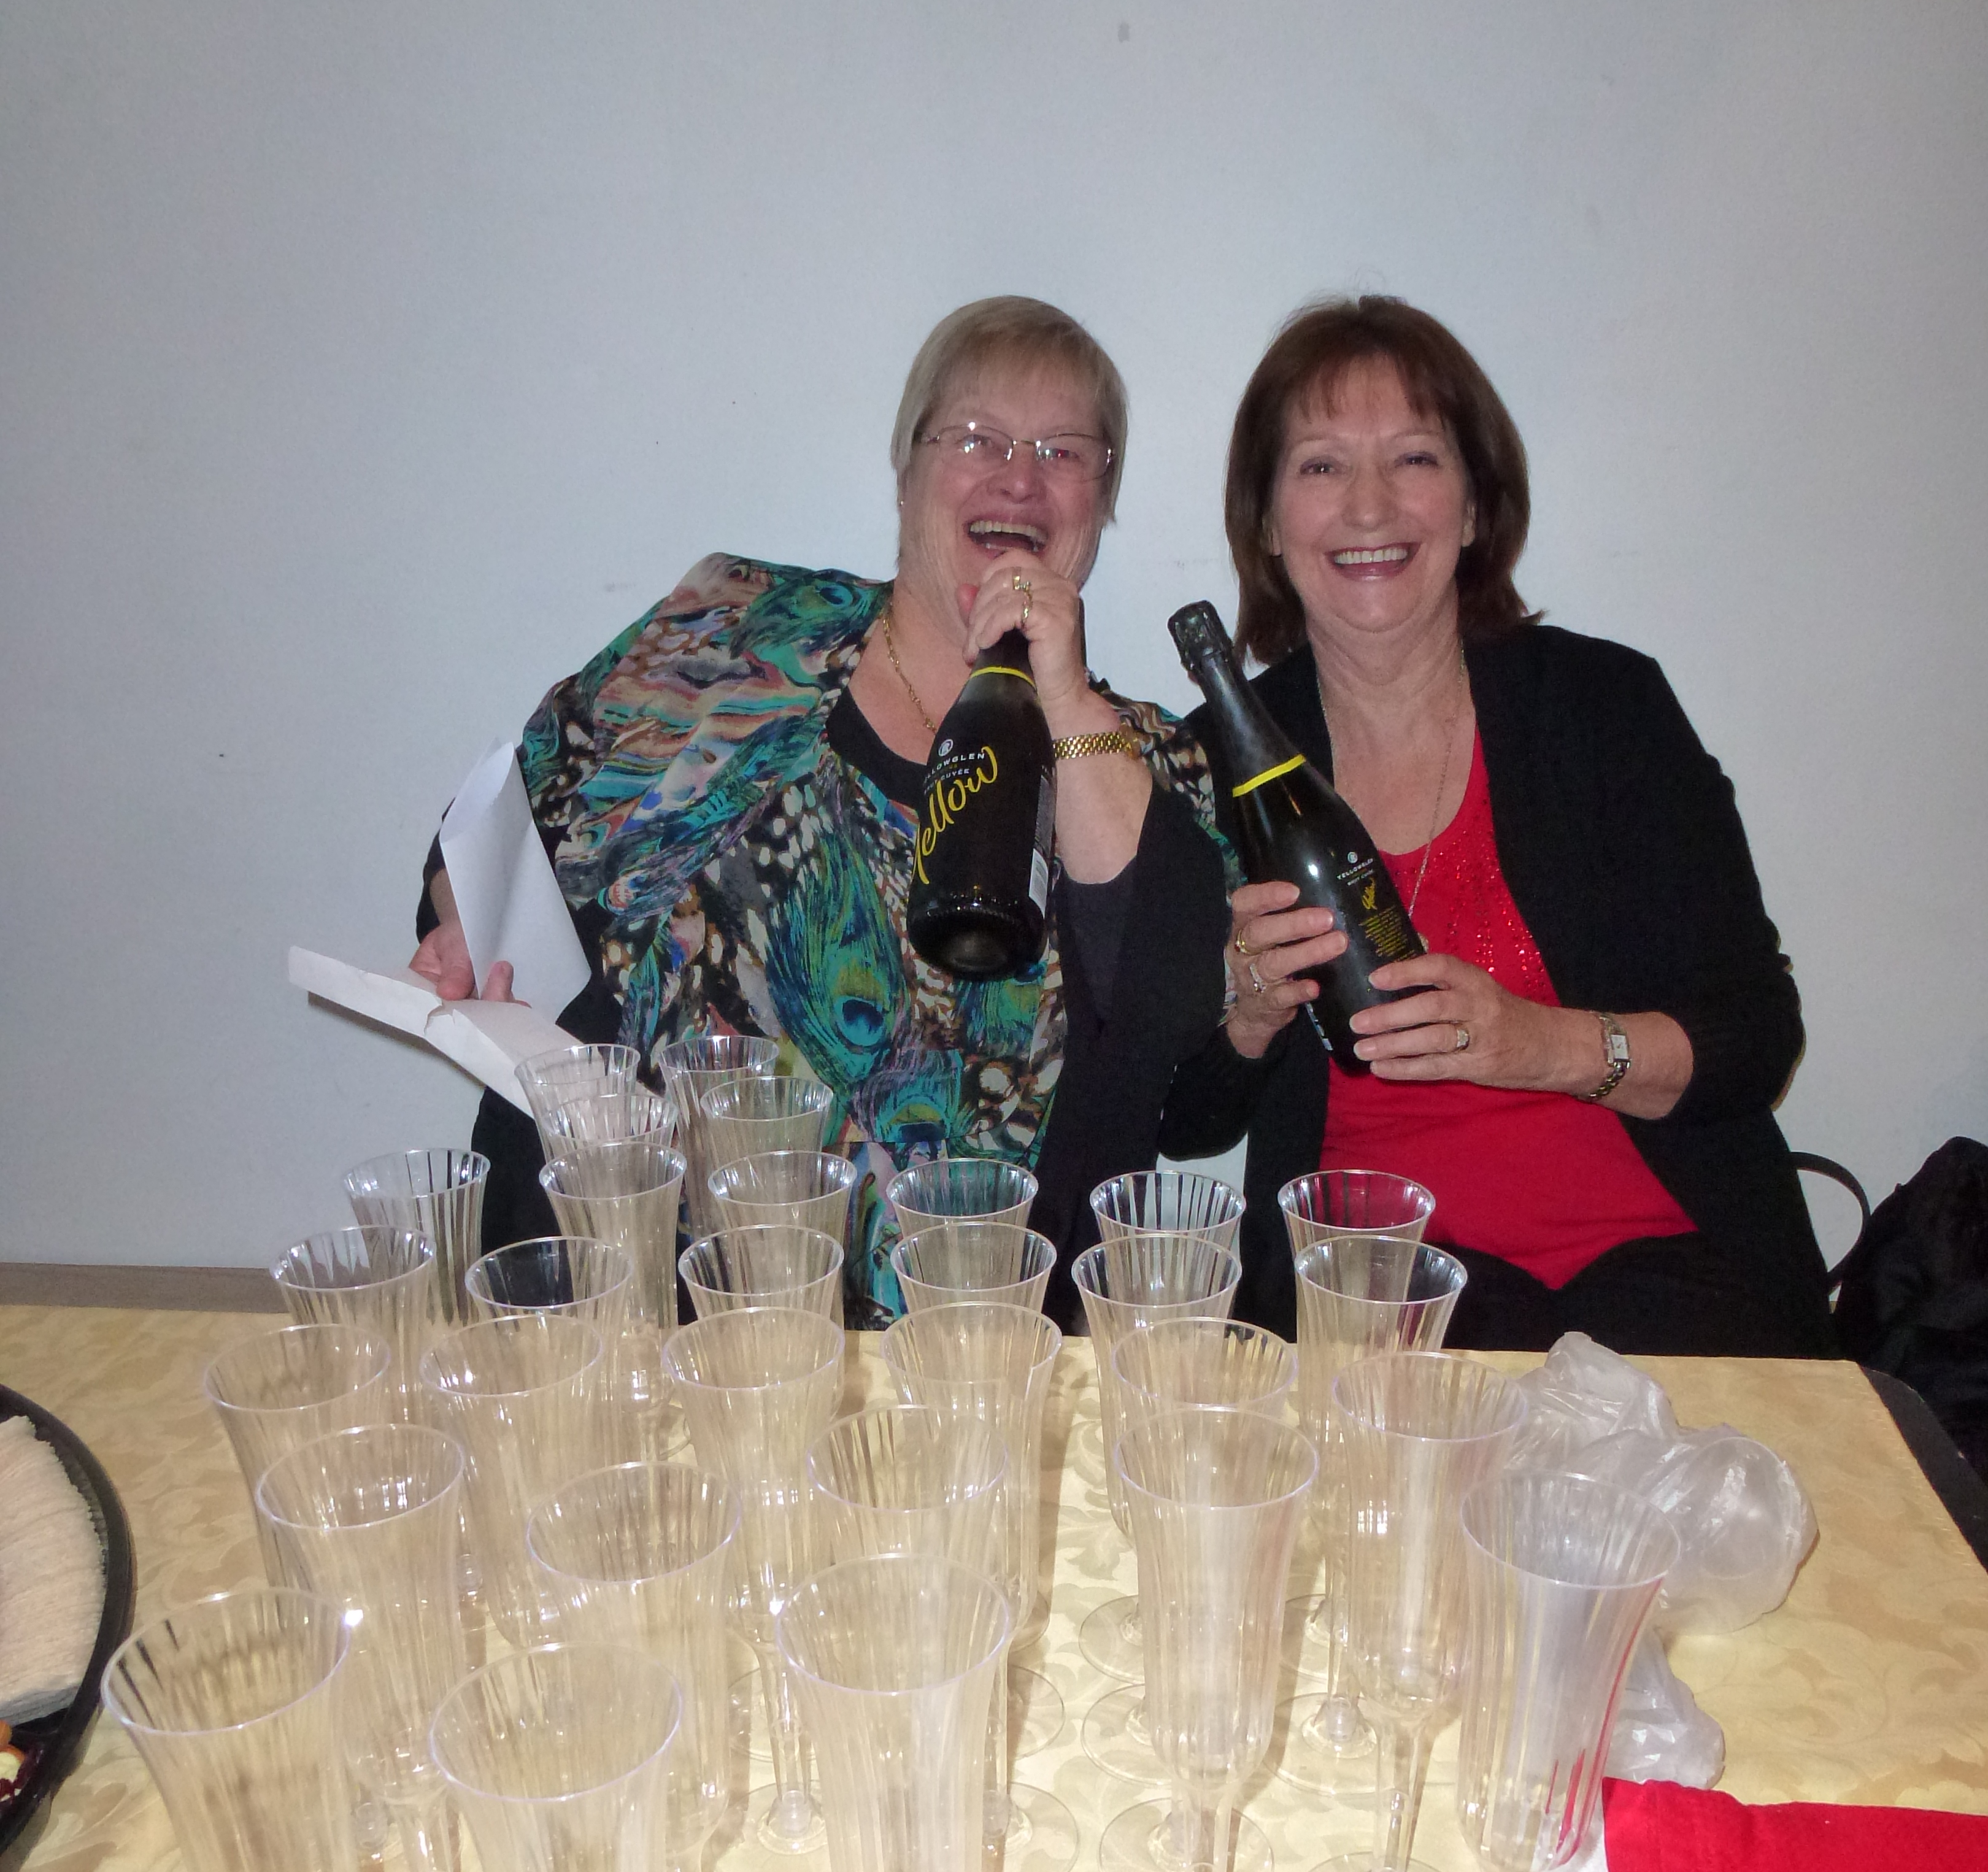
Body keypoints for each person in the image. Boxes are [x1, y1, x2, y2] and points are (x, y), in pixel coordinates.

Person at [410, 296, 1230, 1323]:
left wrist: (1059, 693)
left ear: (1102, 501)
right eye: (977, 437)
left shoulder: (1141, 757)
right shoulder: (742, 629)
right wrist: (462, 915)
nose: (1019, 478)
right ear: (906, 470)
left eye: (1065, 452)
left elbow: (1172, 1014)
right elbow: (508, 814)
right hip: (614, 1292)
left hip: (955, 1353)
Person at [1157, 296, 1836, 1355]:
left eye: (1415, 458)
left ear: (1474, 508)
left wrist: (1538, 1045)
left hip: (1663, 1266)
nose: (1370, 506)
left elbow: (1755, 1037)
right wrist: (1247, 1016)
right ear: (1268, 523)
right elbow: (1184, 1118)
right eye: (1323, 466)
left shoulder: (1605, 709)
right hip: (1380, 1298)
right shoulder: (1210, 762)